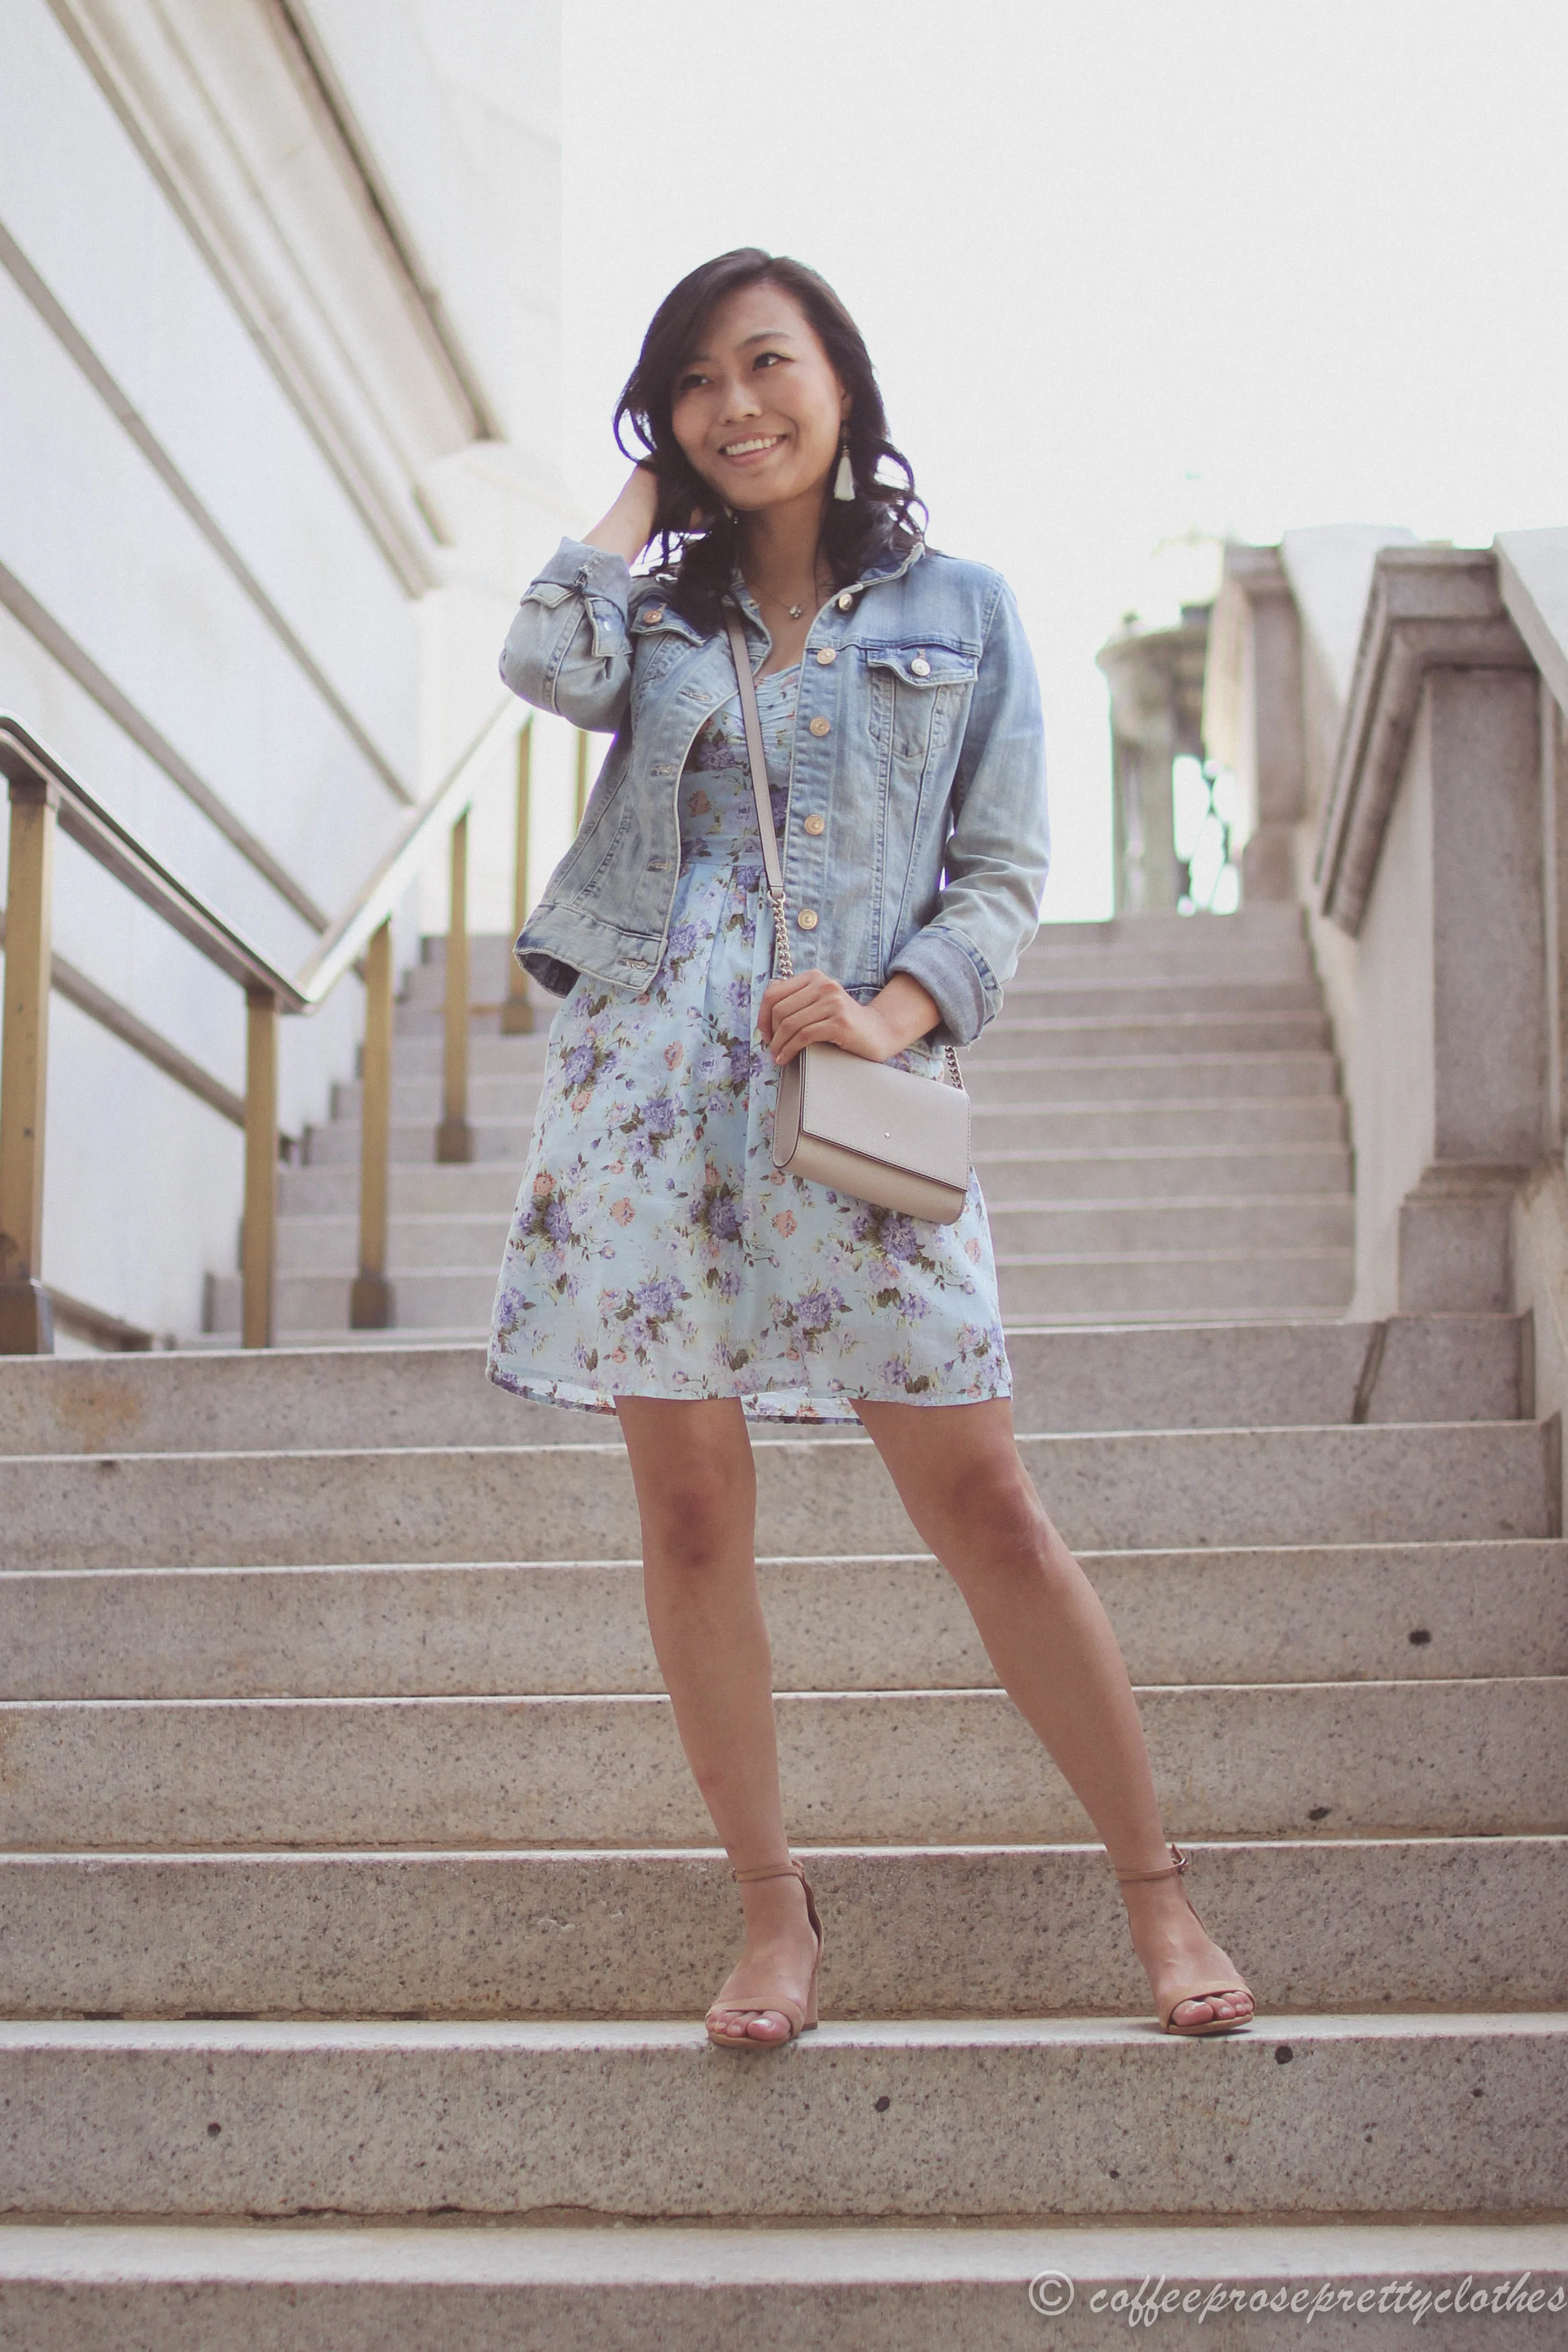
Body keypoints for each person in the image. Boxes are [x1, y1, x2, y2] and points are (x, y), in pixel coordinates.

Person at [488, 247, 1254, 2048]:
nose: (734, 403)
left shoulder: (962, 610)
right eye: (691, 381)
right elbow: (540, 647)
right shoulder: (654, 621)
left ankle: (1154, 1885)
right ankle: (772, 1915)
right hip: (646, 1090)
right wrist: (645, 494)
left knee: (983, 1497)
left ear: (842, 382)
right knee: (687, 1507)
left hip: (843, 1077)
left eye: (766, 363)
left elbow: (999, 869)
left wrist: (898, 1009)